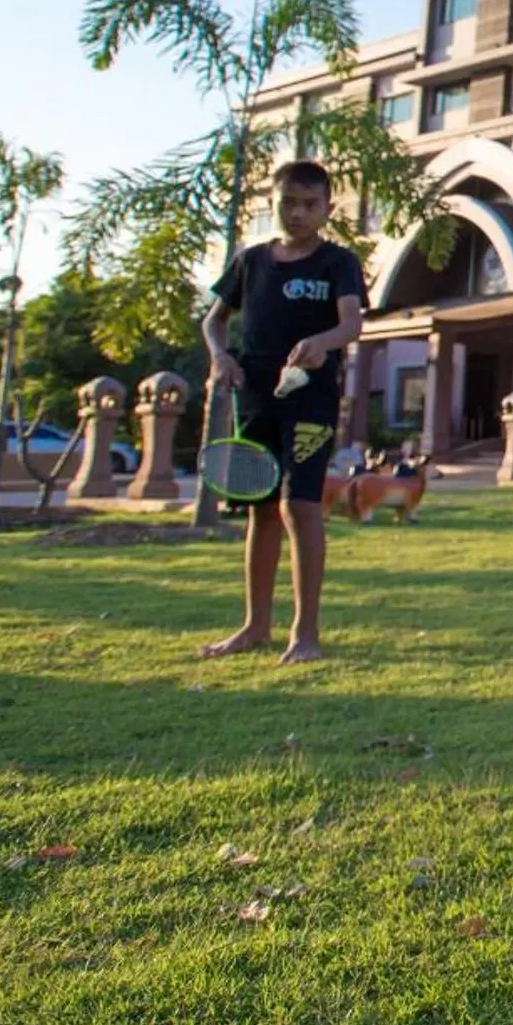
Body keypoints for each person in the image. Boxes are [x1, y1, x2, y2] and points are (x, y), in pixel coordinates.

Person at [198, 159, 366, 665]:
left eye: (310, 205)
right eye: (288, 203)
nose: (297, 213)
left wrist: (321, 343)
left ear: (328, 209)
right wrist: (221, 356)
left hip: (311, 397)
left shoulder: (338, 263)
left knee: (301, 505)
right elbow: (213, 321)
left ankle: (305, 633)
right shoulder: (250, 262)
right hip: (254, 394)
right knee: (262, 505)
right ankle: (255, 626)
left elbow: (351, 324)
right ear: (271, 204)